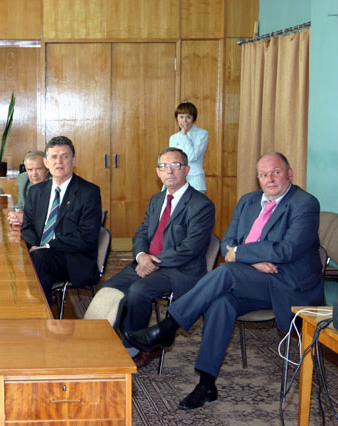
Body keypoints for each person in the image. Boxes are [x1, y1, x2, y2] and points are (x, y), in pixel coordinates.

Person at [125, 152, 324, 410]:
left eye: (276, 172)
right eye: (263, 174)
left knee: (226, 272)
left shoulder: (305, 203)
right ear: (258, 178)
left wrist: (241, 255)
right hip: (249, 278)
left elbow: (287, 250)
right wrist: (249, 260)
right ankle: (207, 384)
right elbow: (227, 243)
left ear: (290, 174)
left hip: (286, 283)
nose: (270, 179)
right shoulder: (248, 201)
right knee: (221, 303)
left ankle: (168, 327)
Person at [85, 147, 215, 367]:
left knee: (138, 291)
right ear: (158, 172)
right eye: (164, 166)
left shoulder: (201, 205)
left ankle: (135, 348)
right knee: (110, 288)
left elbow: (190, 248)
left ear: (186, 170)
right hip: (148, 261)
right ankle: (101, 343)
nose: (169, 171)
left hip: (179, 270)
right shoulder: (157, 200)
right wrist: (141, 255)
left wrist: (153, 261)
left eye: (176, 165)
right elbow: (142, 233)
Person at [21, 136, 102, 306]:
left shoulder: (89, 192)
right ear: (46, 162)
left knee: (37, 260)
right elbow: (27, 226)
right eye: (53, 157)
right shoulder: (36, 191)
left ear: (74, 161)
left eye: (64, 156)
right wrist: (34, 246)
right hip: (40, 254)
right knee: (21, 258)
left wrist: (47, 247)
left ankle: (42, 315)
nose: (59, 161)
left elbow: (86, 235)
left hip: (72, 259)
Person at [169, 101, 208, 192]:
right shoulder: (173, 138)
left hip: (195, 180)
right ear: (177, 118)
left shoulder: (202, 134)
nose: (185, 121)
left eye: (188, 117)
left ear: (193, 119)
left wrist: (184, 134)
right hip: (177, 180)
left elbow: (191, 156)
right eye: (181, 117)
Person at [8, 150, 49, 227]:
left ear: (47, 169)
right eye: (30, 170)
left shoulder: (56, 183)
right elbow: (20, 207)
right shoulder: (23, 180)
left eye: (39, 169)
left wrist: (26, 219)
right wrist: (15, 216)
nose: (34, 174)